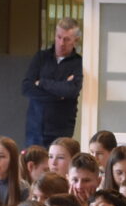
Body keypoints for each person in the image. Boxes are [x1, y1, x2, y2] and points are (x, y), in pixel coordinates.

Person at [22, 18, 83, 147]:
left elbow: (71, 91)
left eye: (67, 39)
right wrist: (59, 95)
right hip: (35, 128)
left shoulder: (78, 63)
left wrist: (42, 83)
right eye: (59, 37)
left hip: (62, 129)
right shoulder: (41, 57)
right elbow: (26, 88)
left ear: (75, 41)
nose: (61, 43)